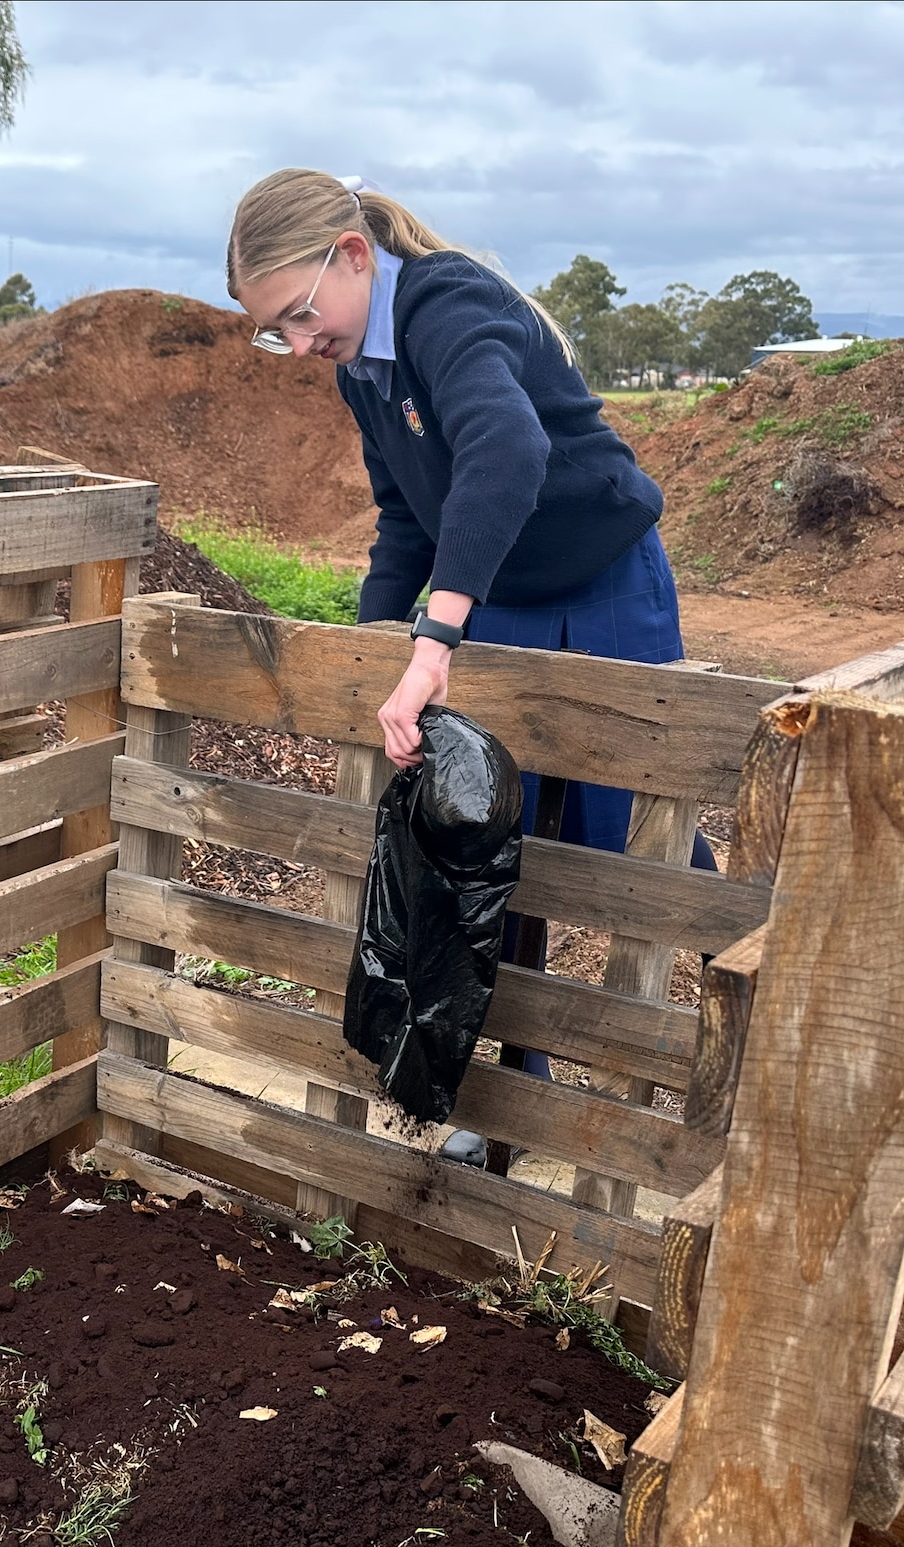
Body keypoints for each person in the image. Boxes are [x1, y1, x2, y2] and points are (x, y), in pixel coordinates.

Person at [226, 168, 716, 1137]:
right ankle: (512, 1088)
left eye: (296, 313)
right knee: (499, 832)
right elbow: (407, 514)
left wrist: (435, 637)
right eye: (272, 328)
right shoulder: (362, 371)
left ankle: (743, 960)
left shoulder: (445, 306)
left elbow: (506, 450)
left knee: (624, 830)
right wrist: (371, 640)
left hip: (603, 575)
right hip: (504, 592)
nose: (293, 343)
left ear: (352, 258)